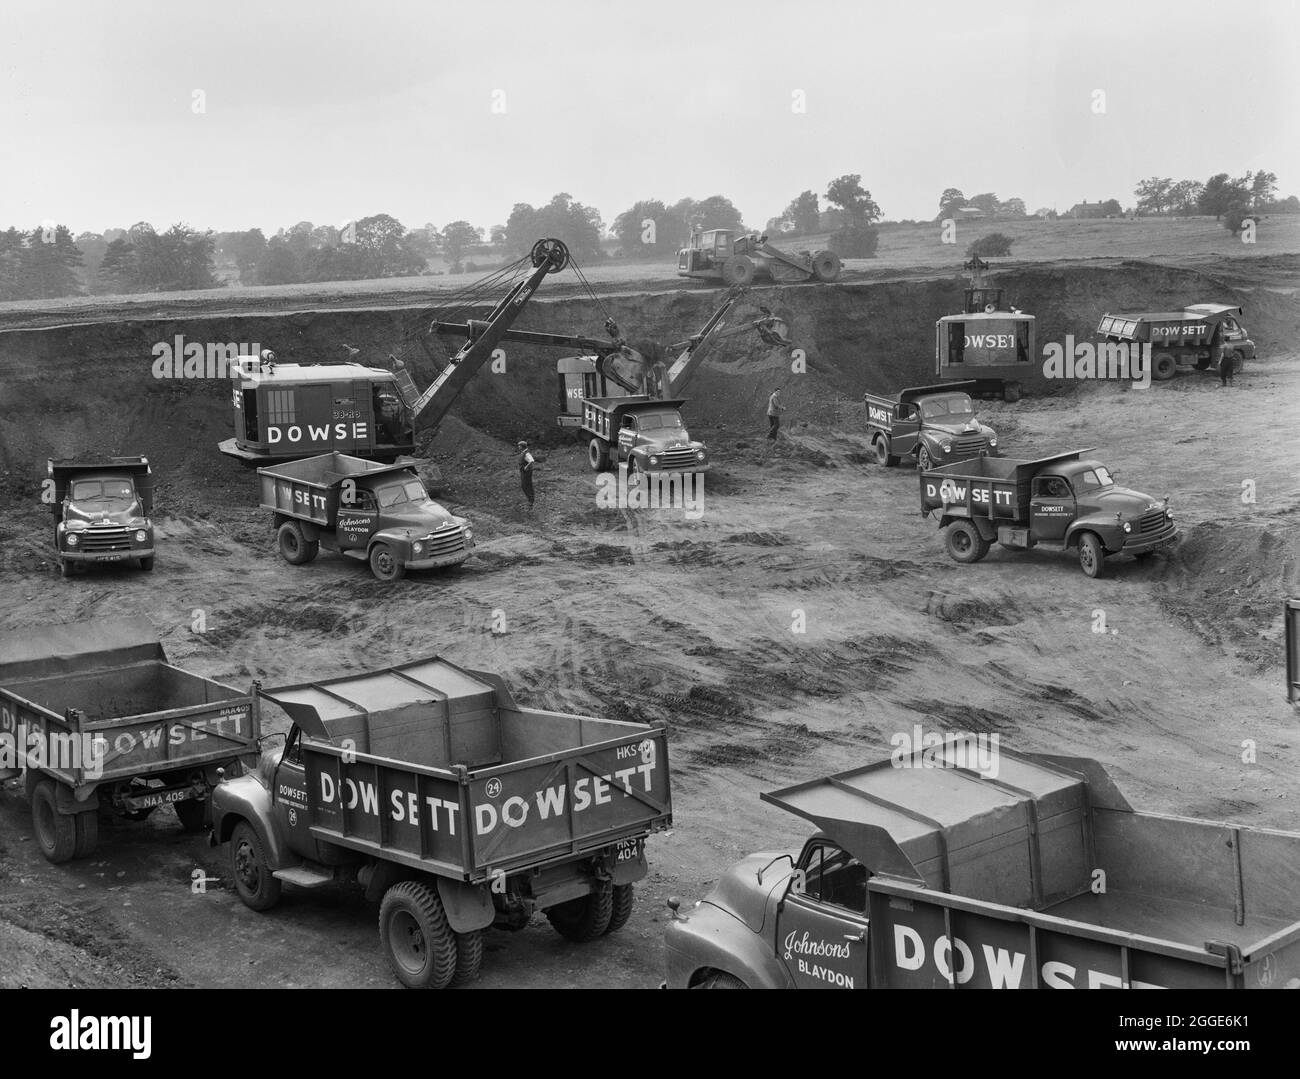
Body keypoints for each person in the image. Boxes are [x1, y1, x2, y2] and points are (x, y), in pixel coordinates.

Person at [517, 440, 536, 510]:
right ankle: (530, 500)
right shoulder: (523, 452)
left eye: (519, 446)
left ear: (522, 446)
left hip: (526, 472)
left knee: (526, 485)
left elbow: (531, 461)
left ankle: (530, 501)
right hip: (523, 472)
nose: (518, 447)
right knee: (524, 485)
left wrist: (526, 467)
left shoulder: (526, 453)